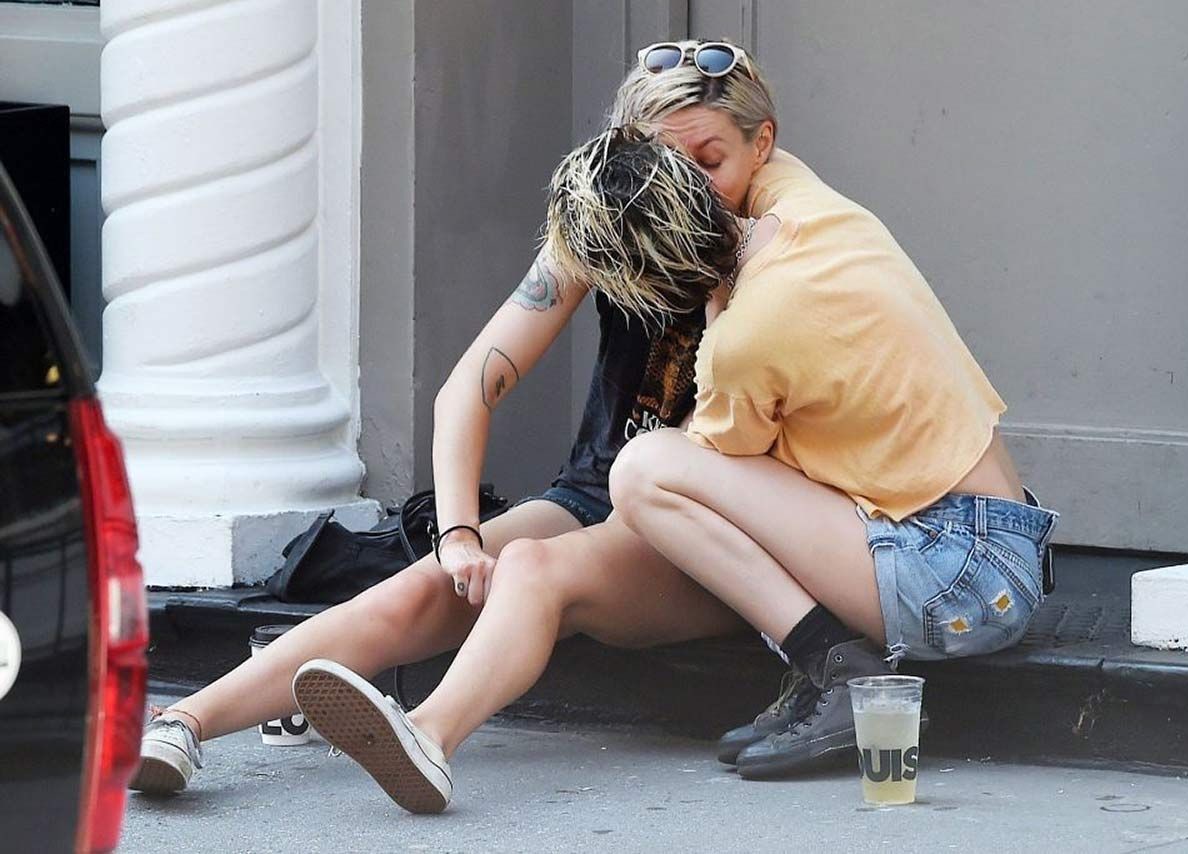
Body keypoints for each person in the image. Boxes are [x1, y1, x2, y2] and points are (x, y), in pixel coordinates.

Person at [288, 115, 1061, 811]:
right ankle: (425, 731)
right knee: (582, 524)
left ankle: (837, 667)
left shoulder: (743, 341)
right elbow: (744, 134)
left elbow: (702, 491)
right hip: (983, 546)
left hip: (958, 574)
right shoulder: (801, 209)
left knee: (644, 470)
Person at [131, 39, 838, 799]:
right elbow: (468, 388)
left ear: (761, 145)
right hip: (596, 493)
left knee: (532, 567)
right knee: (420, 588)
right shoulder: (609, 219)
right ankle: (185, 722)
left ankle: (427, 735)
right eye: (665, 162)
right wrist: (460, 535)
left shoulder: (786, 242)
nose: (688, 185)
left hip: (707, 531)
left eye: (710, 160)